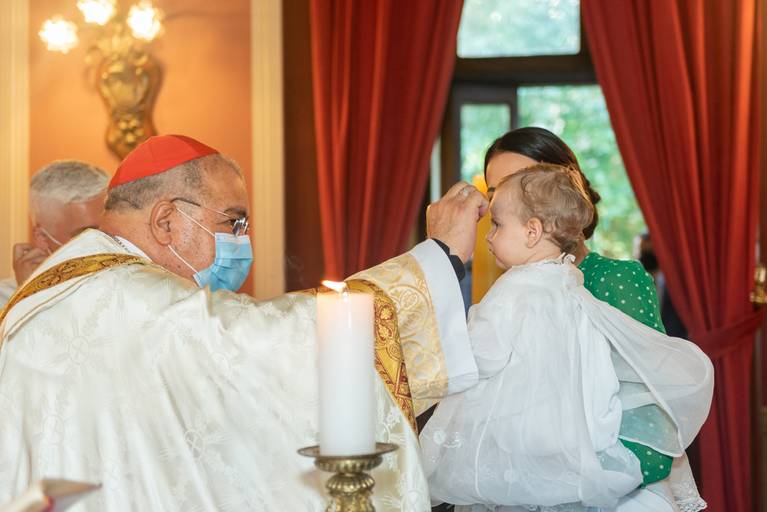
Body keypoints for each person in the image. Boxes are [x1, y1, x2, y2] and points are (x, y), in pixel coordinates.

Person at [0, 134, 486, 511]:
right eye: (232, 223)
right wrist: (438, 258)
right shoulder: (133, 301)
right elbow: (275, 345)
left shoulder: (62, 287)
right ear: (165, 221)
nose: (242, 242)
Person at [420, 164, 713, 511]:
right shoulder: (571, 282)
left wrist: (454, 344)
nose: (488, 236)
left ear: (532, 231)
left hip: (529, 433)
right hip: (579, 434)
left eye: (497, 225)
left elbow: (482, 354)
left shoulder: (514, 288)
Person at [0, 160, 109, 307]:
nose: (108, 242)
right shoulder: (5, 301)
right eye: (88, 233)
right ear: (43, 238)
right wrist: (30, 297)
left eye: (111, 230)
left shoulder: (134, 284)